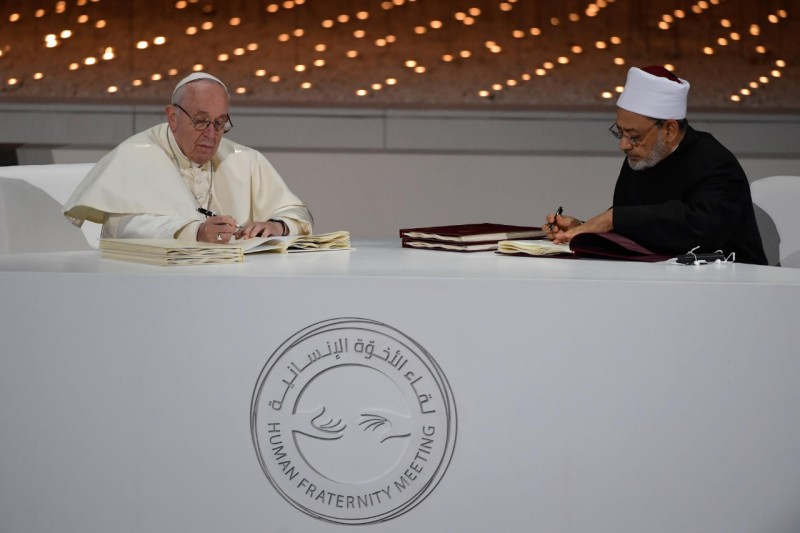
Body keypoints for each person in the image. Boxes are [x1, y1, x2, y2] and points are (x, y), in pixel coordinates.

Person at [543, 66, 767, 265]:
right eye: (620, 132)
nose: (623, 145)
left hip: (732, 282)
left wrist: (613, 219)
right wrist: (584, 229)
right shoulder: (641, 157)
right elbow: (637, 230)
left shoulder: (715, 162)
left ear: (669, 130)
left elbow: (700, 228)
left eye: (633, 136)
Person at [64, 72, 312, 243]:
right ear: (173, 117)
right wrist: (195, 233)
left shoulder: (244, 159)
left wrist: (277, 226)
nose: (211, 135)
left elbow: (296, 213)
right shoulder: (136, 154)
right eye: (201, 121)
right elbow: (122, 228)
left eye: (219, 123)